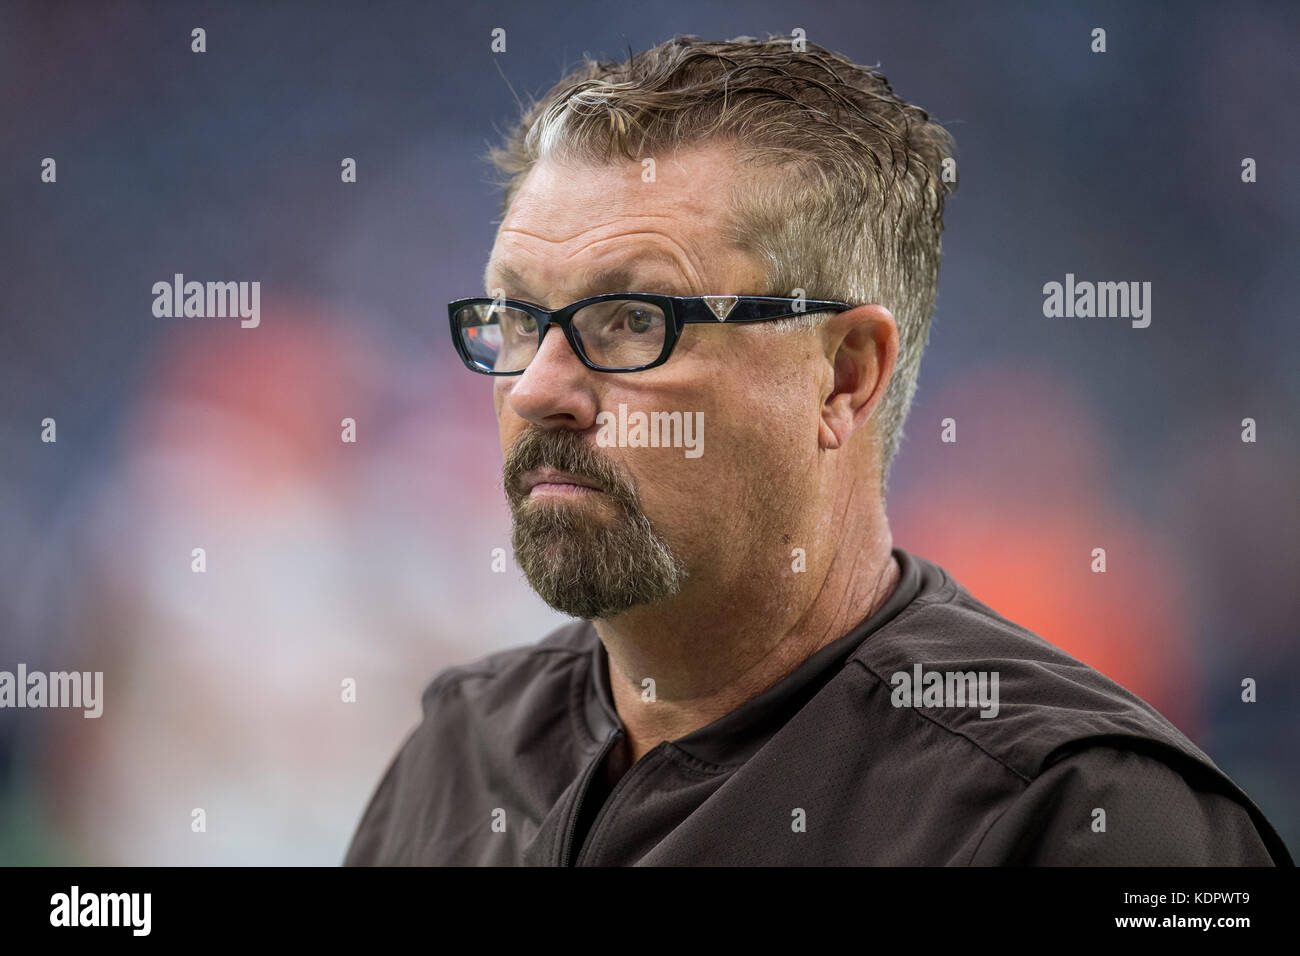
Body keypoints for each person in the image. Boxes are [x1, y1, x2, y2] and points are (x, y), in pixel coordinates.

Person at [345, 35, 1291, 866]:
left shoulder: (1085, 817)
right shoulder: (456, 754)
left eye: (633, 320)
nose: (539, 389)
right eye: (516, 317)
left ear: (842, 376)